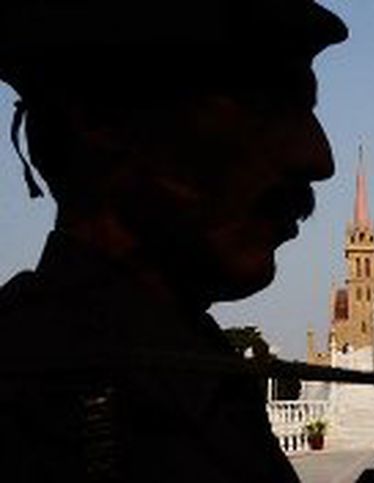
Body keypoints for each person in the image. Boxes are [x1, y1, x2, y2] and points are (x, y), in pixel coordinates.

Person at [0, 1, 347, 481]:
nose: (318, 157)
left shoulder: (184, 365)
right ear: (101, 117)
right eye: (264, 106)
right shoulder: (39, 397)